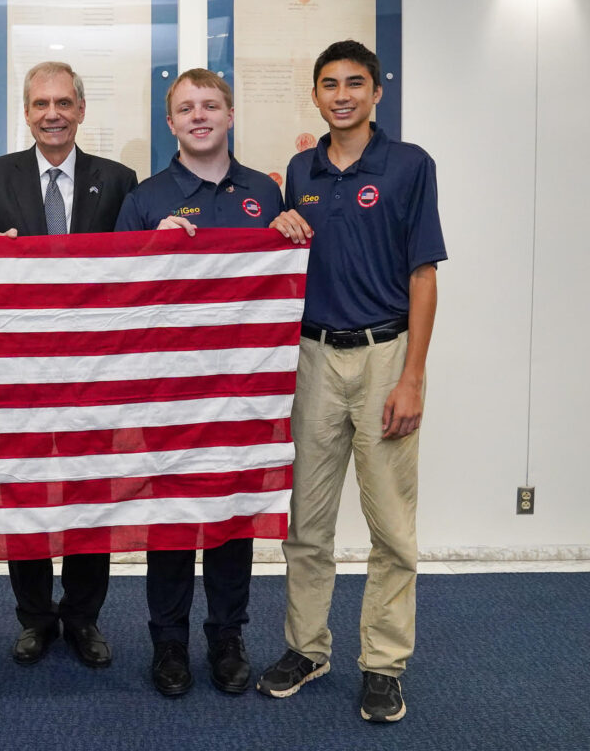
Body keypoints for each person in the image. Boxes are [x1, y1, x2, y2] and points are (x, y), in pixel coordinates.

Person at [255, 40, 446, 723]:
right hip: (312, 358)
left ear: (376, 93)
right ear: (314, 95)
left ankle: (384, 663)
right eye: (330, 84)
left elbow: (424, 277)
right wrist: (280, 222)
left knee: (391, 527)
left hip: (384, 356)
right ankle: (306, 649)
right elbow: (288, 258)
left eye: (355, 83)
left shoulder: (408, 166)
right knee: (307, 523)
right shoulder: (300, 169)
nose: (342, 95)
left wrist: (413, 378)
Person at [116, 68, 285, 697]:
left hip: (242, 387)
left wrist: (292, 229)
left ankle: (226, 636)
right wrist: (148, 250)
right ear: (170, 124)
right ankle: (168, 643)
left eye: (209, 105)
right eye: (185, 108)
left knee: (231, 515)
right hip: (166, 390)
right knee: (170, 518)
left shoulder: (266, 194)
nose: (199, 116)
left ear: (230, 114)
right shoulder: (146, 197)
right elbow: (117, 302)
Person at [0, 61, 137, 669]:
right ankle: (35, 618)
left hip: (95, 372)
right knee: (26, 494)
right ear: (26, 112)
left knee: (92, 494)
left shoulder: (119, 180)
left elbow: (134, 275)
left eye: (64, 102)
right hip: (21, 371)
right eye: (40, 104)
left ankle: (83, 618)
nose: (52, 114)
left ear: (82, 109)